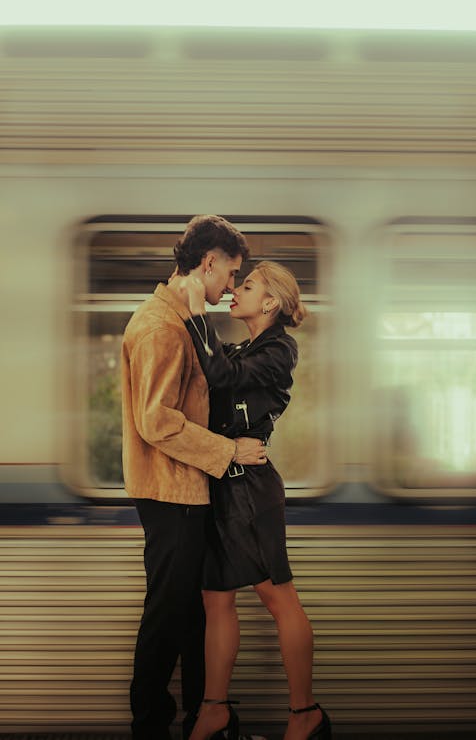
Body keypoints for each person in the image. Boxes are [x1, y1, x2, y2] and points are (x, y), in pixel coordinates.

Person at [121, 215, 268, 740]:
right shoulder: (160, 325)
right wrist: (229, 449)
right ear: (209, 263)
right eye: (231, 274)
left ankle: (204, 720)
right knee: (168, 611)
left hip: (183, 487)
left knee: (188, 614)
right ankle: (151, 725)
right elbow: (156, 421)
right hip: (170, 489)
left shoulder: (180, 318)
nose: (231, 286)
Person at [180, 261, 332, 740]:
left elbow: (222, 376)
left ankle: (304, 713)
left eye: (246, 286)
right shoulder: (247, 345)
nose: (234, 291)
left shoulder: (279, 349)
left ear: (270, 302)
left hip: (252, 490)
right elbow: (211, 368)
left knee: (277, 596)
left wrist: (194, 314)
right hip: (225, 480)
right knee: (215, 597)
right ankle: (215, 707)